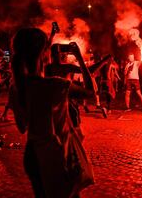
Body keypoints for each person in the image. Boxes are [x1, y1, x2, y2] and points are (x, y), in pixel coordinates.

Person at [10, 28, 94, 198]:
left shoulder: (16, 87)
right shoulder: (55, 86)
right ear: (43, 54)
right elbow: (91, 94)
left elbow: (21, 126)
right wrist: (80, 59)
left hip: (33, 155)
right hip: (58, 154)